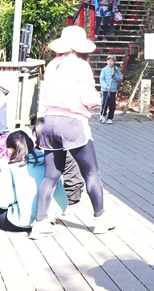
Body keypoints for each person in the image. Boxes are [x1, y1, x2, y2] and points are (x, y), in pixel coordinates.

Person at [30, 26, 114, 238]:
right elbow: (89, 97)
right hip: (73, 122)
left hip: (49, 122)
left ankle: (40, 223)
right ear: (80, 47)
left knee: (51, 176)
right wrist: (96, 100)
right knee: (91, 172)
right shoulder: (81, 66)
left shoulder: (52, 65)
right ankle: (100, 219)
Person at [0, 131, 68, 231]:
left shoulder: (11, 167)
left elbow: (2, 202)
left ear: (10, 150)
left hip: (23, 221)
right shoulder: (47, 160)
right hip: (54, 212)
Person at [99, 56, 123, 124]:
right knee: (104, 103)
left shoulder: (117, 69)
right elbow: (101, 79)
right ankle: (103, 115)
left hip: (113, 90)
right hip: (105, 90)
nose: (110, 62)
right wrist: (106, 86)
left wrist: (115, 74)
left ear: (115, 62)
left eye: (112, 61)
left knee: (112, 104)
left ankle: (110, 118)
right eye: (108, 60)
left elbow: (120, 79)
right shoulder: (104, 69)